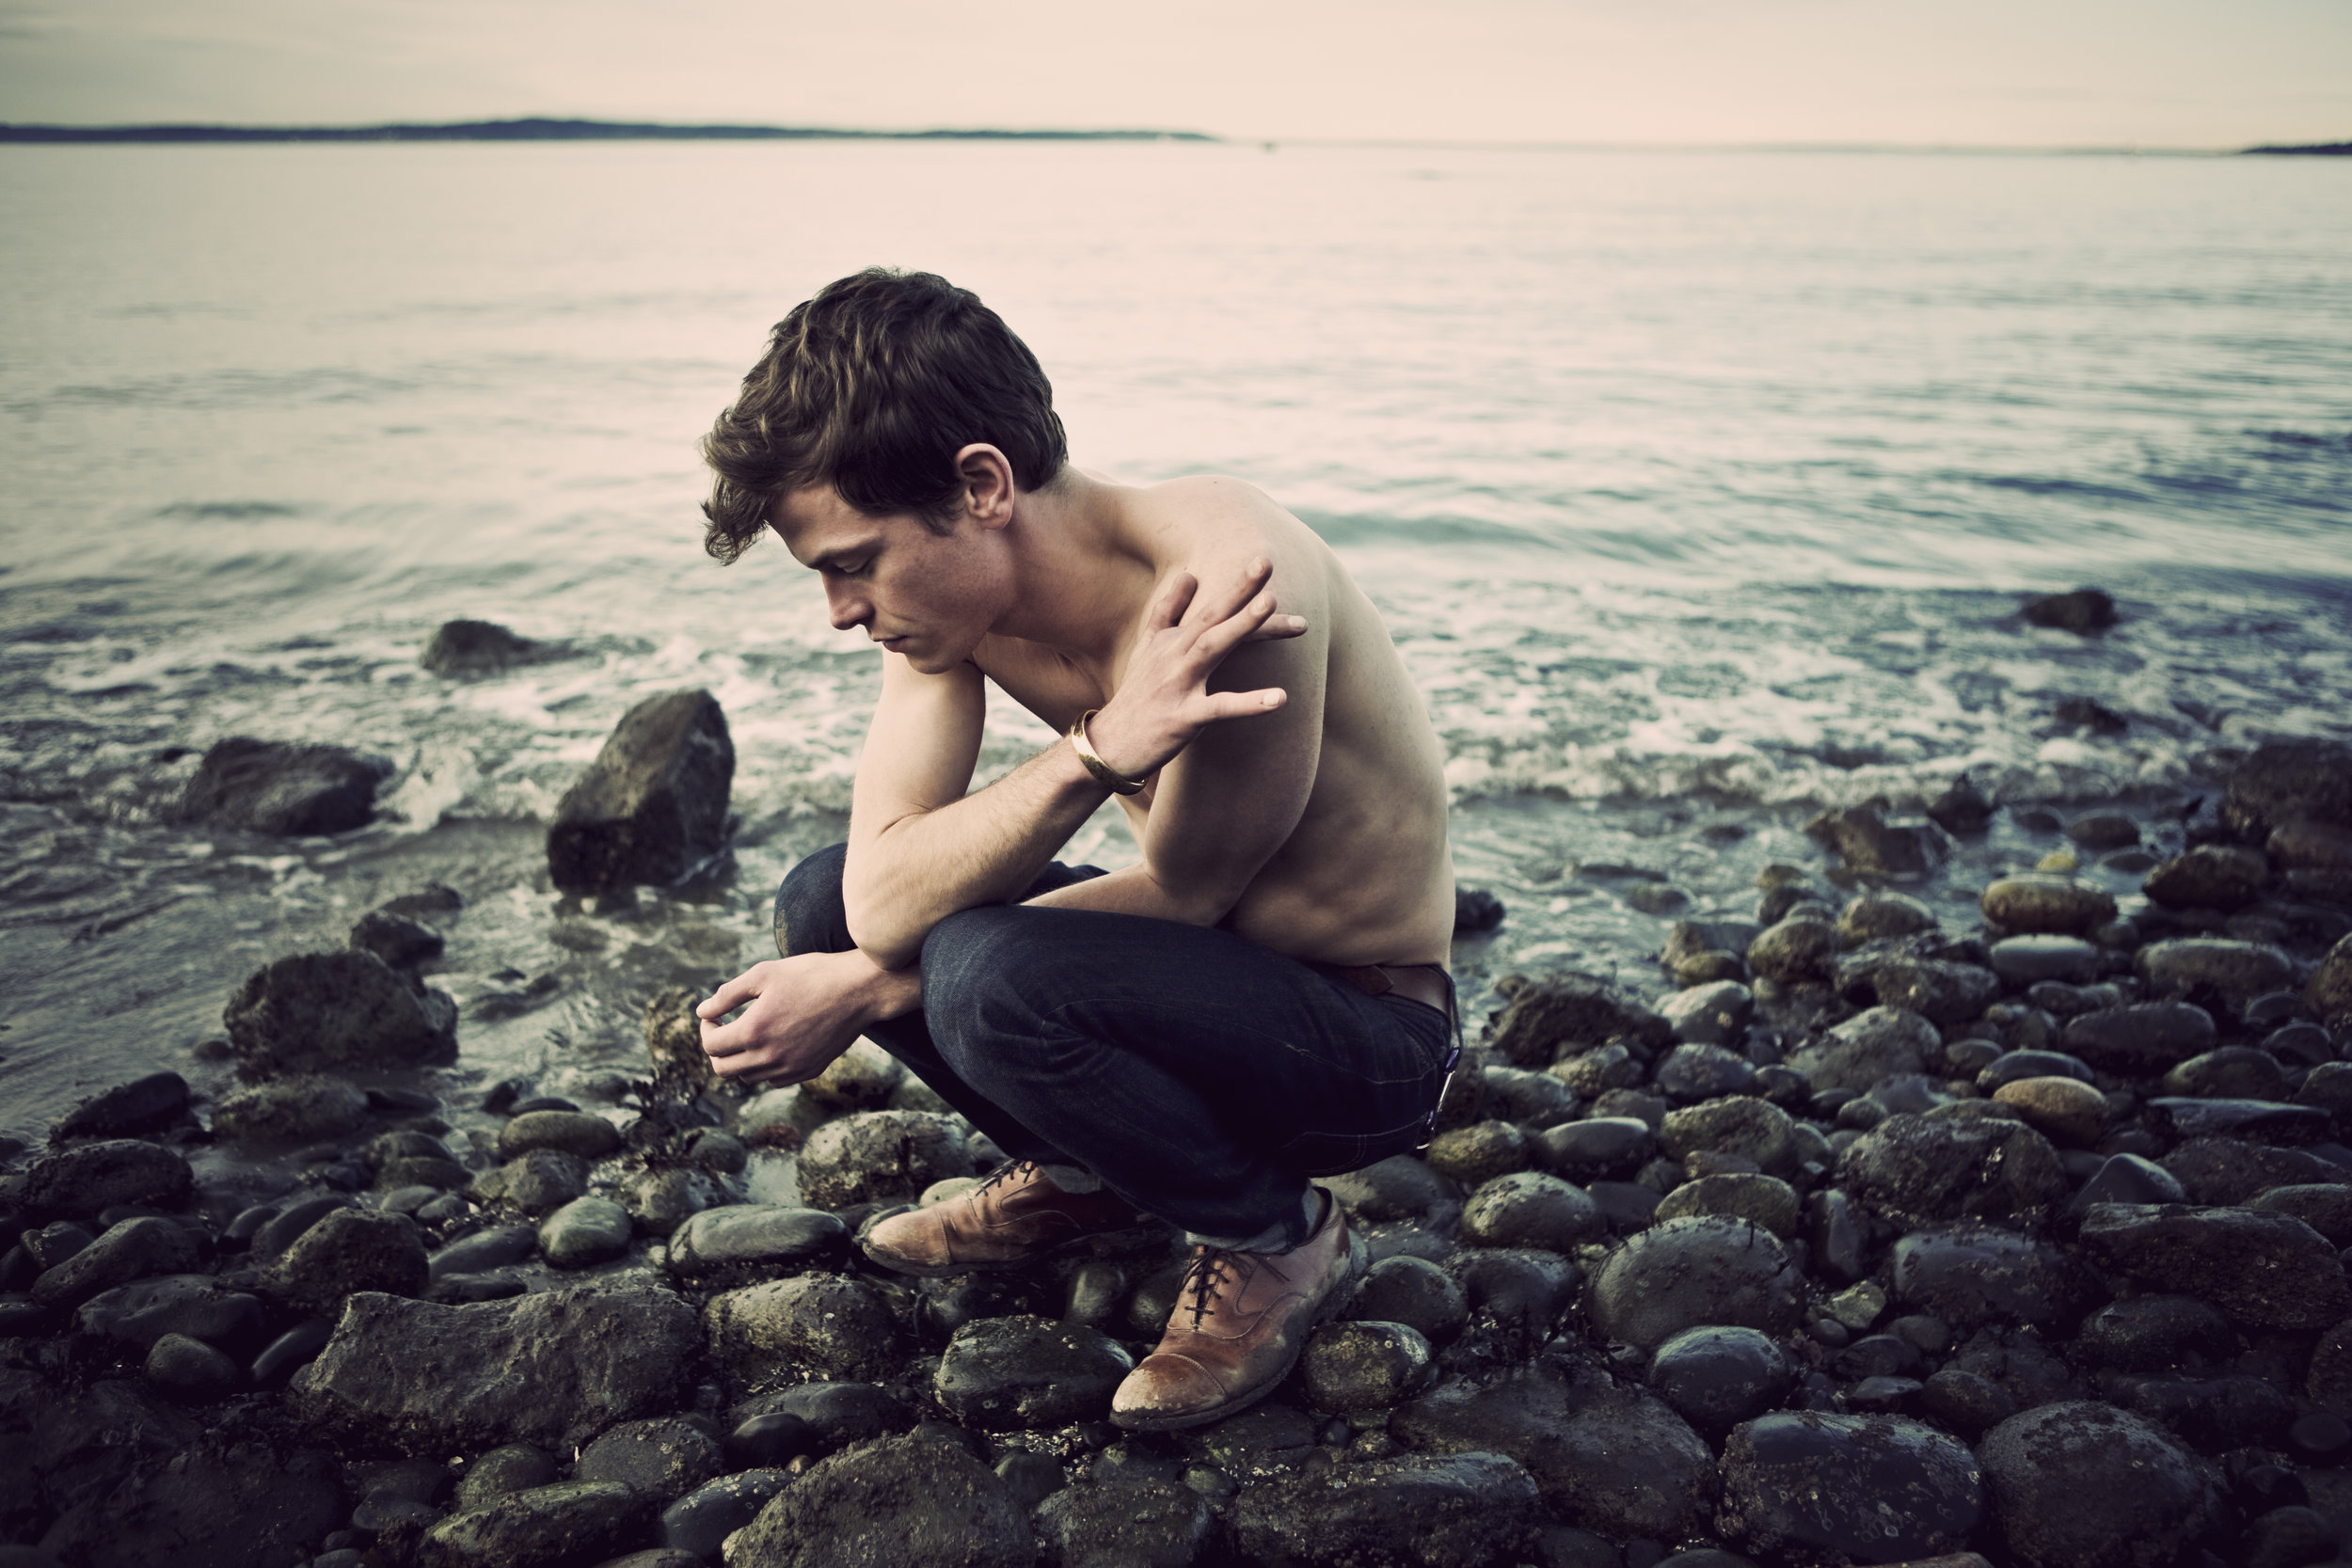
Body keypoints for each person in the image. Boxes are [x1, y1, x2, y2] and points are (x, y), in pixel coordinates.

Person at [691, 266, 1458, 1432]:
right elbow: (881, 894)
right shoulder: (950, 607)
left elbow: (1192, 893)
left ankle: (1275, 1236)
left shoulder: (1224, 586)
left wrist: (866, 981)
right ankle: (1090, 1178)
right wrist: (1094, 752)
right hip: (1193, 1000)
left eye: (853, 560)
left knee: (973, 969)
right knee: (825, 908)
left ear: (982, 484)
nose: (841, 610)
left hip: (1360, 1038)